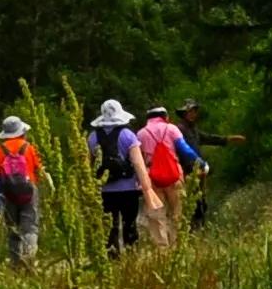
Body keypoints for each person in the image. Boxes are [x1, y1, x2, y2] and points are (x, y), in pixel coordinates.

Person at [137, 104, 208, 240]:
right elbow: (185, 150)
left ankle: (162, 250)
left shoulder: (141, 133)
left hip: (152, 177)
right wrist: (202, 163)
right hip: (174, 175)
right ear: (164, 116)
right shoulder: (171, 129)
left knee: (157, 215)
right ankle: (176, 245)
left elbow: (138, 158)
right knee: (177, 213)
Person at [89, 97, 151, 250]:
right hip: (128, 188)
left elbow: (88, 164)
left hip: (104, 189)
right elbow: (138, 163)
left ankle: (112, 257)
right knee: (130, 224)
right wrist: (146, 186)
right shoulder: (127, 135)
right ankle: (131, 256)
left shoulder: (92, 137)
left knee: (110, 226)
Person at [0, 114, 47, 268]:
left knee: (12, 227)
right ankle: (29, 259)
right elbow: (38, 171)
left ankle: (15, 263)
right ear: (22, 132)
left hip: (7, 193)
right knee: (30, 226)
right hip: (29, 190)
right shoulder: (29, 148)